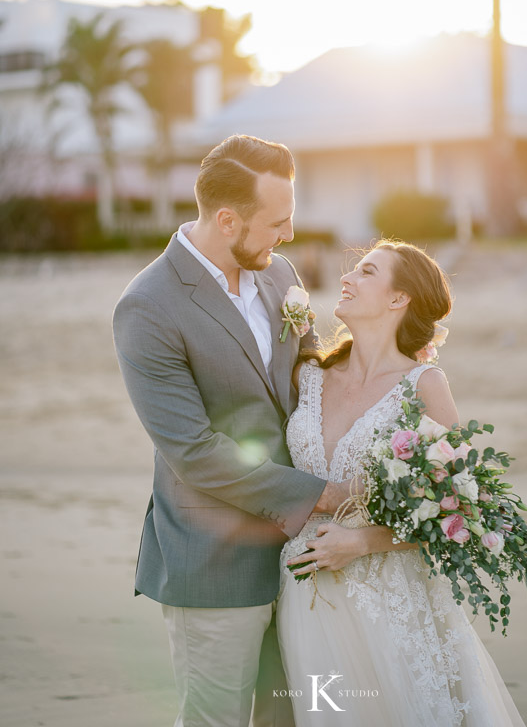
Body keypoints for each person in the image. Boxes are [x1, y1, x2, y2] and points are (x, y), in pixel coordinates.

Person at [112, 135, 349, 727]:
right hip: (215, 563)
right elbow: (194, 452)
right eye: (278, 222)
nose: (288, 235)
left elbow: (310, 374)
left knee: (288, 720)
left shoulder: (278, 274)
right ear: (226, 219)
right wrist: (316, 494)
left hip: (302, 559)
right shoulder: (148, 307)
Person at [276, 240, 527, 726]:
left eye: (366, 272)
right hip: (304, 590)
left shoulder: (423, 385)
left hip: (388, 597)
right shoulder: (307, 375)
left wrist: (363, 541)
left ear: (399, 299)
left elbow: (465, 511)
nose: (346, 278)